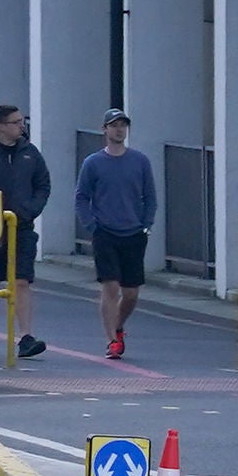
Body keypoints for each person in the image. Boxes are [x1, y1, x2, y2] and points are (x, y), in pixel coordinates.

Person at [76, 109, 161, 360]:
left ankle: (118, 326)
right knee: (110, 286)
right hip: (105, 233)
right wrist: (92, 226)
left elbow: (151, 197)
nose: (119, 130)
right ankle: (111, 340)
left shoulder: (140, 160)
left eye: (123, 125)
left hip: (134, 232)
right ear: (104, 129)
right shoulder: (93, 162)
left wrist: (146, 225)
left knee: (131, 292)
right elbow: (82, 197)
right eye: (114, 126)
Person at [0, 104, 51, 360]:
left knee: (22, 280)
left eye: (21, 121)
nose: (21, 126)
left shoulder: (29, 153)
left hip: (21, 226)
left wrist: (31, 209)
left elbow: (43, 184)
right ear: (0, 125)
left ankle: (26, 337)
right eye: (15, 122)